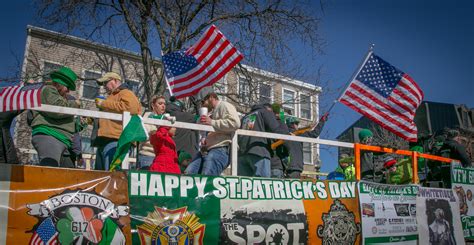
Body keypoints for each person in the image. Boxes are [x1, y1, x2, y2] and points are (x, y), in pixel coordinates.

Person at [30, 66, 80, 167]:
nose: (68, 91)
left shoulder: (60, 97)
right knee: (49, 173)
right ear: (61, 84)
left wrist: (81, 123)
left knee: (63, 176)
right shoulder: (48, 89)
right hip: (50, 135)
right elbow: (57, 110)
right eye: (68, 87)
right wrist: (75, 104)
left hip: (62, 139)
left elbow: (66, 121)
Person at [185, 90, 240, 176]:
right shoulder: (211, 113)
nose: (202, 105)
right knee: (189, 173)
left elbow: (235, 123)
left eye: (203, 102)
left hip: (221, 147)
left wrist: (212, 122)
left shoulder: (224, 106)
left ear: (211, 97)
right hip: (206, 150)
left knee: (207, 176)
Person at [94, 72, 141, 170]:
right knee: (102, 177)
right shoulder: (111, 96)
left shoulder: (125, 92)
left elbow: (131, 108)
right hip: (105, 140)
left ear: (115, 81)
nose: (104, 86)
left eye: (105, 82)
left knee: (113, 176)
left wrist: (104, 104)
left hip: (117, 141)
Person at [238, 103, 289, 177]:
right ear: (269, 109)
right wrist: (283, 121)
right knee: (262, 184)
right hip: (259, 152)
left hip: (242, 155)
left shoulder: (245, 117)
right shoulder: (265, 112)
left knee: (245, 185)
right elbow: (277, 130)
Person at [147, 95, 180, 174]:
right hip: (147, 153)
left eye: (164, 104)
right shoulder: (147, 116)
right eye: (160, 103)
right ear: (153, 105)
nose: (163, 106)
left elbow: (173, 131)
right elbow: (151, 133)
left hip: (163, 156)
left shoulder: (166, 119)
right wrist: (165, 129)